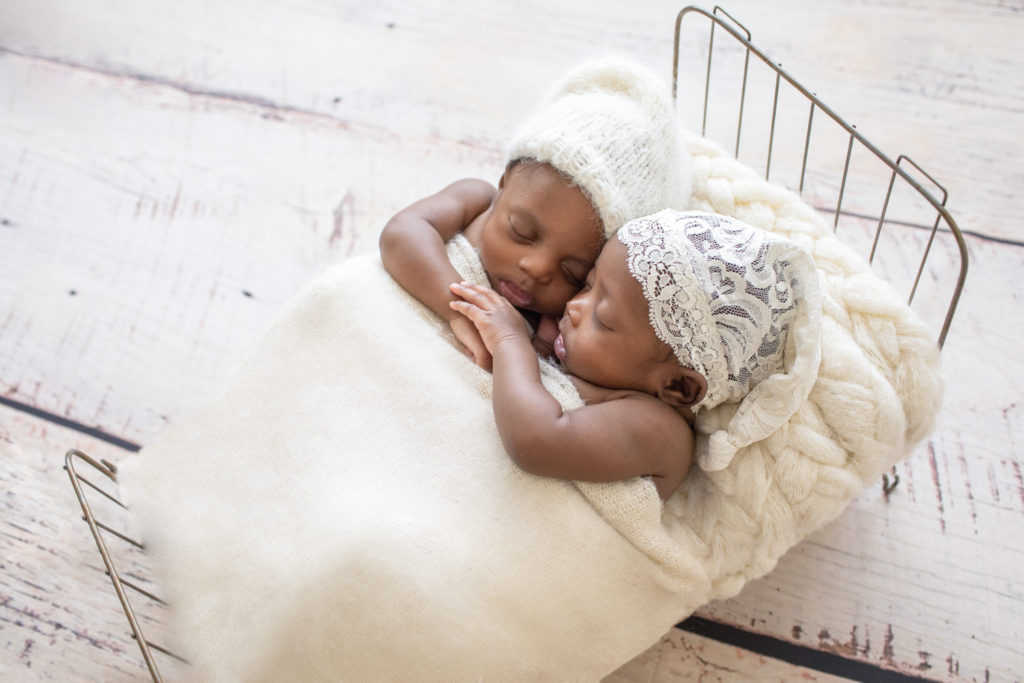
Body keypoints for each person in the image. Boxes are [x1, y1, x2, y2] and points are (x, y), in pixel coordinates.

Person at [449, 210, 821, 500]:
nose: (573, 306)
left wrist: (512, 342)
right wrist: (544, 351)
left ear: (677, 387)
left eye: (603, 319)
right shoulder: (606, 374)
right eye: (589, 284)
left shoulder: (660, 432)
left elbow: (535, 440)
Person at [380, 56, 688, 369]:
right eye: (522, 231)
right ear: (504, 184)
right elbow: (401, 234)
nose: (537, 268)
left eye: (573, 272)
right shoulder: (475, 199)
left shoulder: (565, 324)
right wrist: (458, 313)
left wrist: (540, 346)